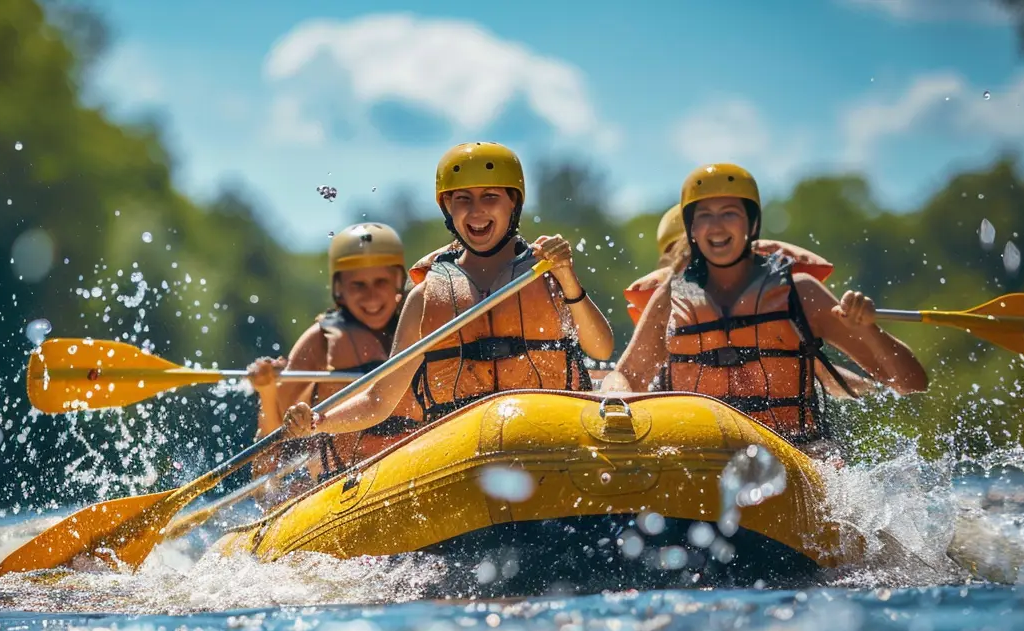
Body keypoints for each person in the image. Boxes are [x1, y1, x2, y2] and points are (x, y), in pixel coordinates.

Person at [281, 141, 615, 440]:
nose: (476, 210)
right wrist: (319, 421)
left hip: (551, 431)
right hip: (464, 445)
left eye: (490, 197)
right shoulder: (425, 298)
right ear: (448, 209)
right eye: (462, 199)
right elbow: (379, 400)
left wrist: (567, 278)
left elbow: (600, 348)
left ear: (513, 203)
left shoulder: (548, 274)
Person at [602, 163, 926, 445]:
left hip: (792, 454)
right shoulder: (670, 298)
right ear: (692, 229)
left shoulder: (801, 293)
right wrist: (614, 403)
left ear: (752, 224)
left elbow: (912, 383)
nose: (716, 226)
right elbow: (626, 375)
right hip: (700, 458)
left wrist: (869, 330)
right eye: (704, 216)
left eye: (729, 213)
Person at [624, 205, 875, 397]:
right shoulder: (666, 309)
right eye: (687, 254)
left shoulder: (763, 309)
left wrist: (871, 389)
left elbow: (825, 374)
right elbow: (628, 376)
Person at [247, 223, 419, 479]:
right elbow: (274, 437)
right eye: (358, 285)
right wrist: (267, 391)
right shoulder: (320, 341)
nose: (371, 296)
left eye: (380, 282)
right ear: (340, 289)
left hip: (416, 462)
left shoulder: (418, 323)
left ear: (397, 281)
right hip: (343, 475)